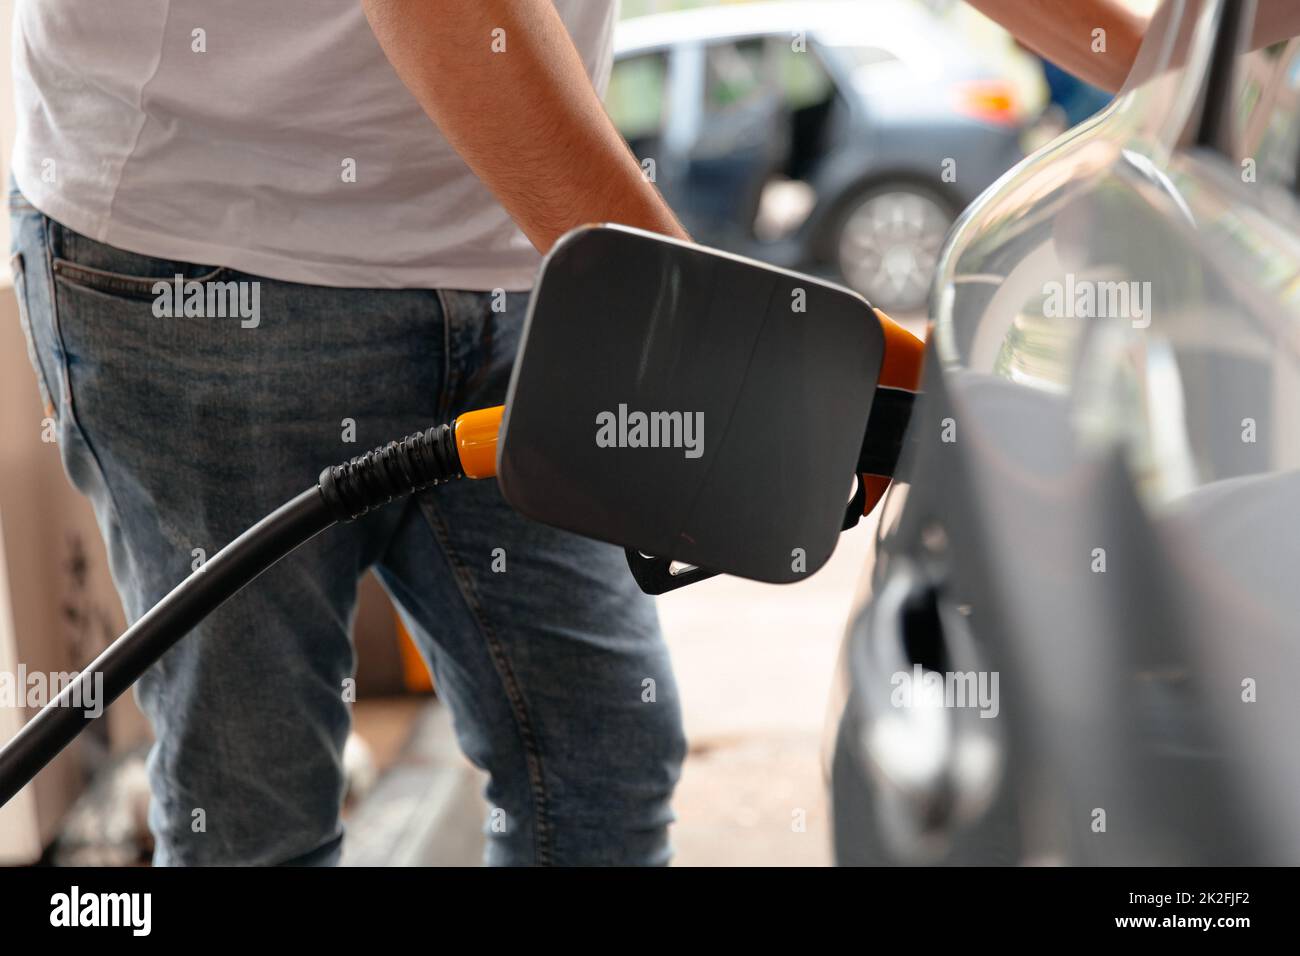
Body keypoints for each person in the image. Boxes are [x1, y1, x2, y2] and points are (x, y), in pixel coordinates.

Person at [9, 0, 688, 866]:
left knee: (605, 773)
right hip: (203, 264)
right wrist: (695, 332)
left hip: (524, 254)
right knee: (254, 823)